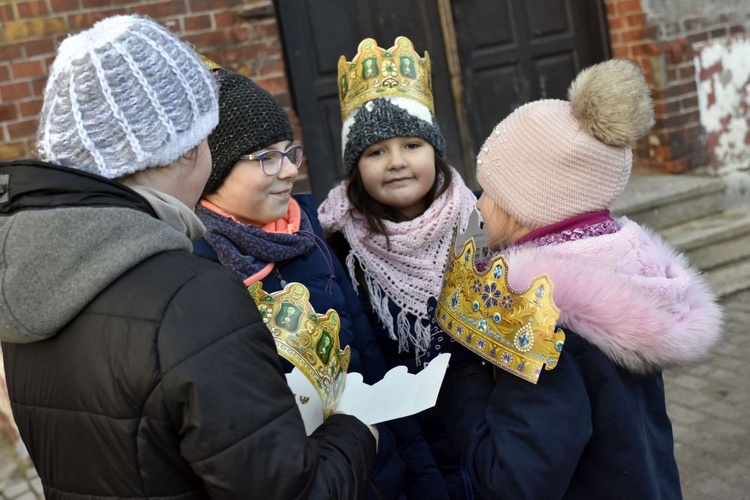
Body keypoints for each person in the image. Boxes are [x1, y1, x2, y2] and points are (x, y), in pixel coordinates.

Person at [0, 15, 376, 499]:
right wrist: (355, 435)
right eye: (205, 135)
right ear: (179, 149)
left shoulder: (31, 285)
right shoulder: (191, 298)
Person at [436, 59, 723, 499]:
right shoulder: (627, 274)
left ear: (523, 208)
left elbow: (513, 483)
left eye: (488, 189)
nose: (478, 203)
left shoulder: (542, 319)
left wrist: (460, 375)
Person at [194, 67, 444, 500]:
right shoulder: (197, 270)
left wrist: (426, 483)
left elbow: (369, 364)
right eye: (266, 158)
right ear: (214, 168)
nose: (289, 171)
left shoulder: (307, 236)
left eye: (290, 152)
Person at [318, 36, 477, 498]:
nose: (397, 163)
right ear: (355, 165)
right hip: (411, 441)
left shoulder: (478, 222)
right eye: (375, 152)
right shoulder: (337, 243)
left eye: (411, 144)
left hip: (485, 427)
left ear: (434, 150)